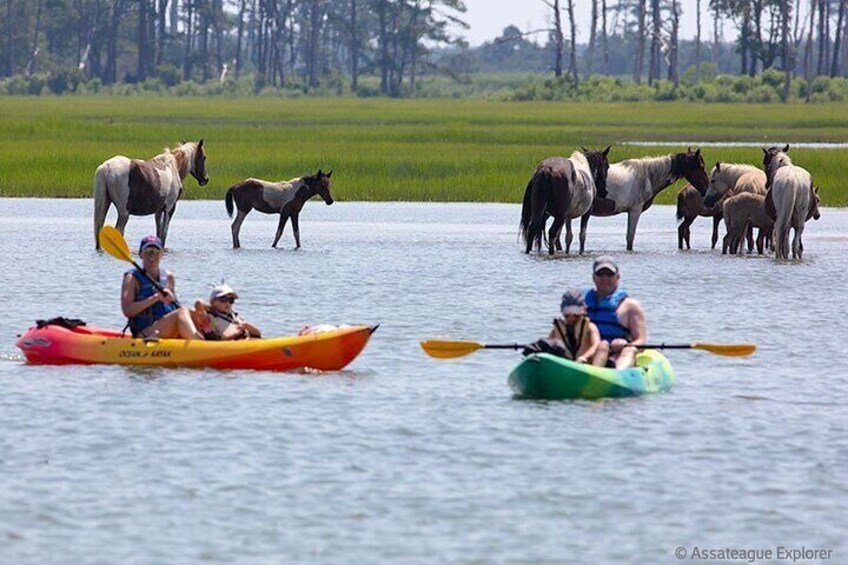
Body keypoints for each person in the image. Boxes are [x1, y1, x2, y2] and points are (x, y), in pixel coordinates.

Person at [121, 235, 205, 339]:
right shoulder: (132, 278)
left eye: (156, 252)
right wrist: (156, 297)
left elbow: (175, 307)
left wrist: (195, 315)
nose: (152, 255)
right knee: (182, 312)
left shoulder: (168, 277)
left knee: (195, 312)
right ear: (140, 254)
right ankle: (199, 344)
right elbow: (127, 311)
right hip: (145, 333)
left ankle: (214, 341)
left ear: (161, 255)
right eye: (148, 251)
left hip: (167, 327)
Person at [584, 256, 646, 369]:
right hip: (591, 351)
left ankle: (617, 374)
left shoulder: (631, 306)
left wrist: (625, 344)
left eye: (609, 274)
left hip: (619, 353)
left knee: (630, 350)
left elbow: (641, 340)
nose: (605, 278)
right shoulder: (582, 303)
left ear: (618, 277)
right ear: (593, 277)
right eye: (600, 274)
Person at [545, 288, 601, 363]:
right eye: (567, 315)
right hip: (566, 363)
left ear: (583, 312)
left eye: (576, 315)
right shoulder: (557, 329)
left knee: (603, 345)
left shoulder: (590, 327)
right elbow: (547, 344)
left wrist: (584, 357)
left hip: (585, 364)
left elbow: (596, 345)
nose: (571, 318)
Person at [193, 283, 261, 340]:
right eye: (223, 300)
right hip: (225, 346)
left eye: (231, 300)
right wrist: (210, 307)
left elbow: (258, 334)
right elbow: (198, 303)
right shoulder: (208, 317)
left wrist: (246, 326)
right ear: (213, 302)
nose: (228, 303)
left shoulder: (234, 316)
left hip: (244, 341)